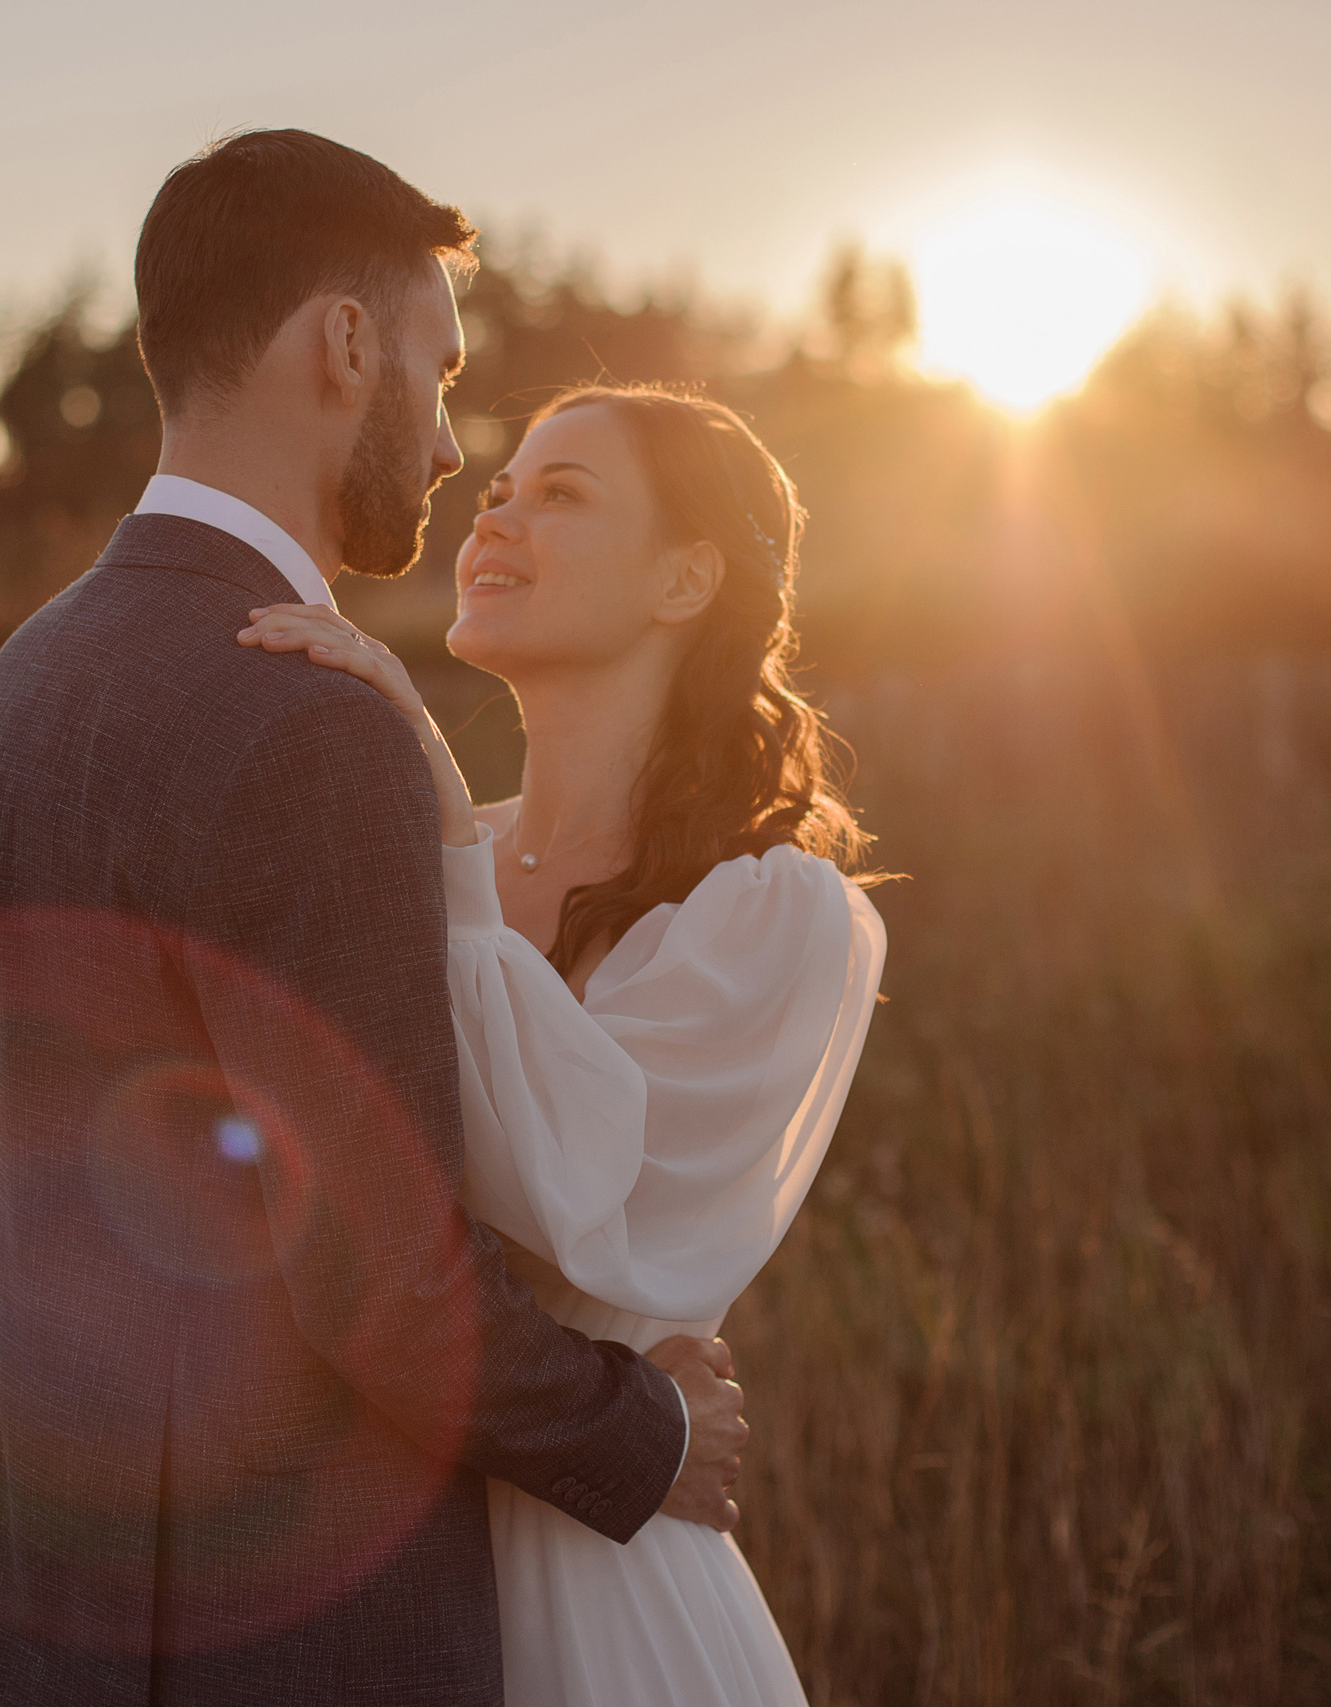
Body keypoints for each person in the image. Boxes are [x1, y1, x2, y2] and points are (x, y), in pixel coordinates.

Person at [0, 132, 747, 1707]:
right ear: (345, 345)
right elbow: (383, 1282)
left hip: (52, 1599)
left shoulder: (22, 681)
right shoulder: (308, 722)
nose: (446, 446)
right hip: (282, 1630)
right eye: (440, 374)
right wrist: (647, 1431)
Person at [238, 385, 888, 1704]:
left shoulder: (775, 913)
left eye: (562, 495)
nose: (494, 517)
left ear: (684, 579)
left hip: (598, 1572)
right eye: (498, 490)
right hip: (363, 1579)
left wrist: (432, 808)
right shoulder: (423, 857)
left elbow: (574, 1200)